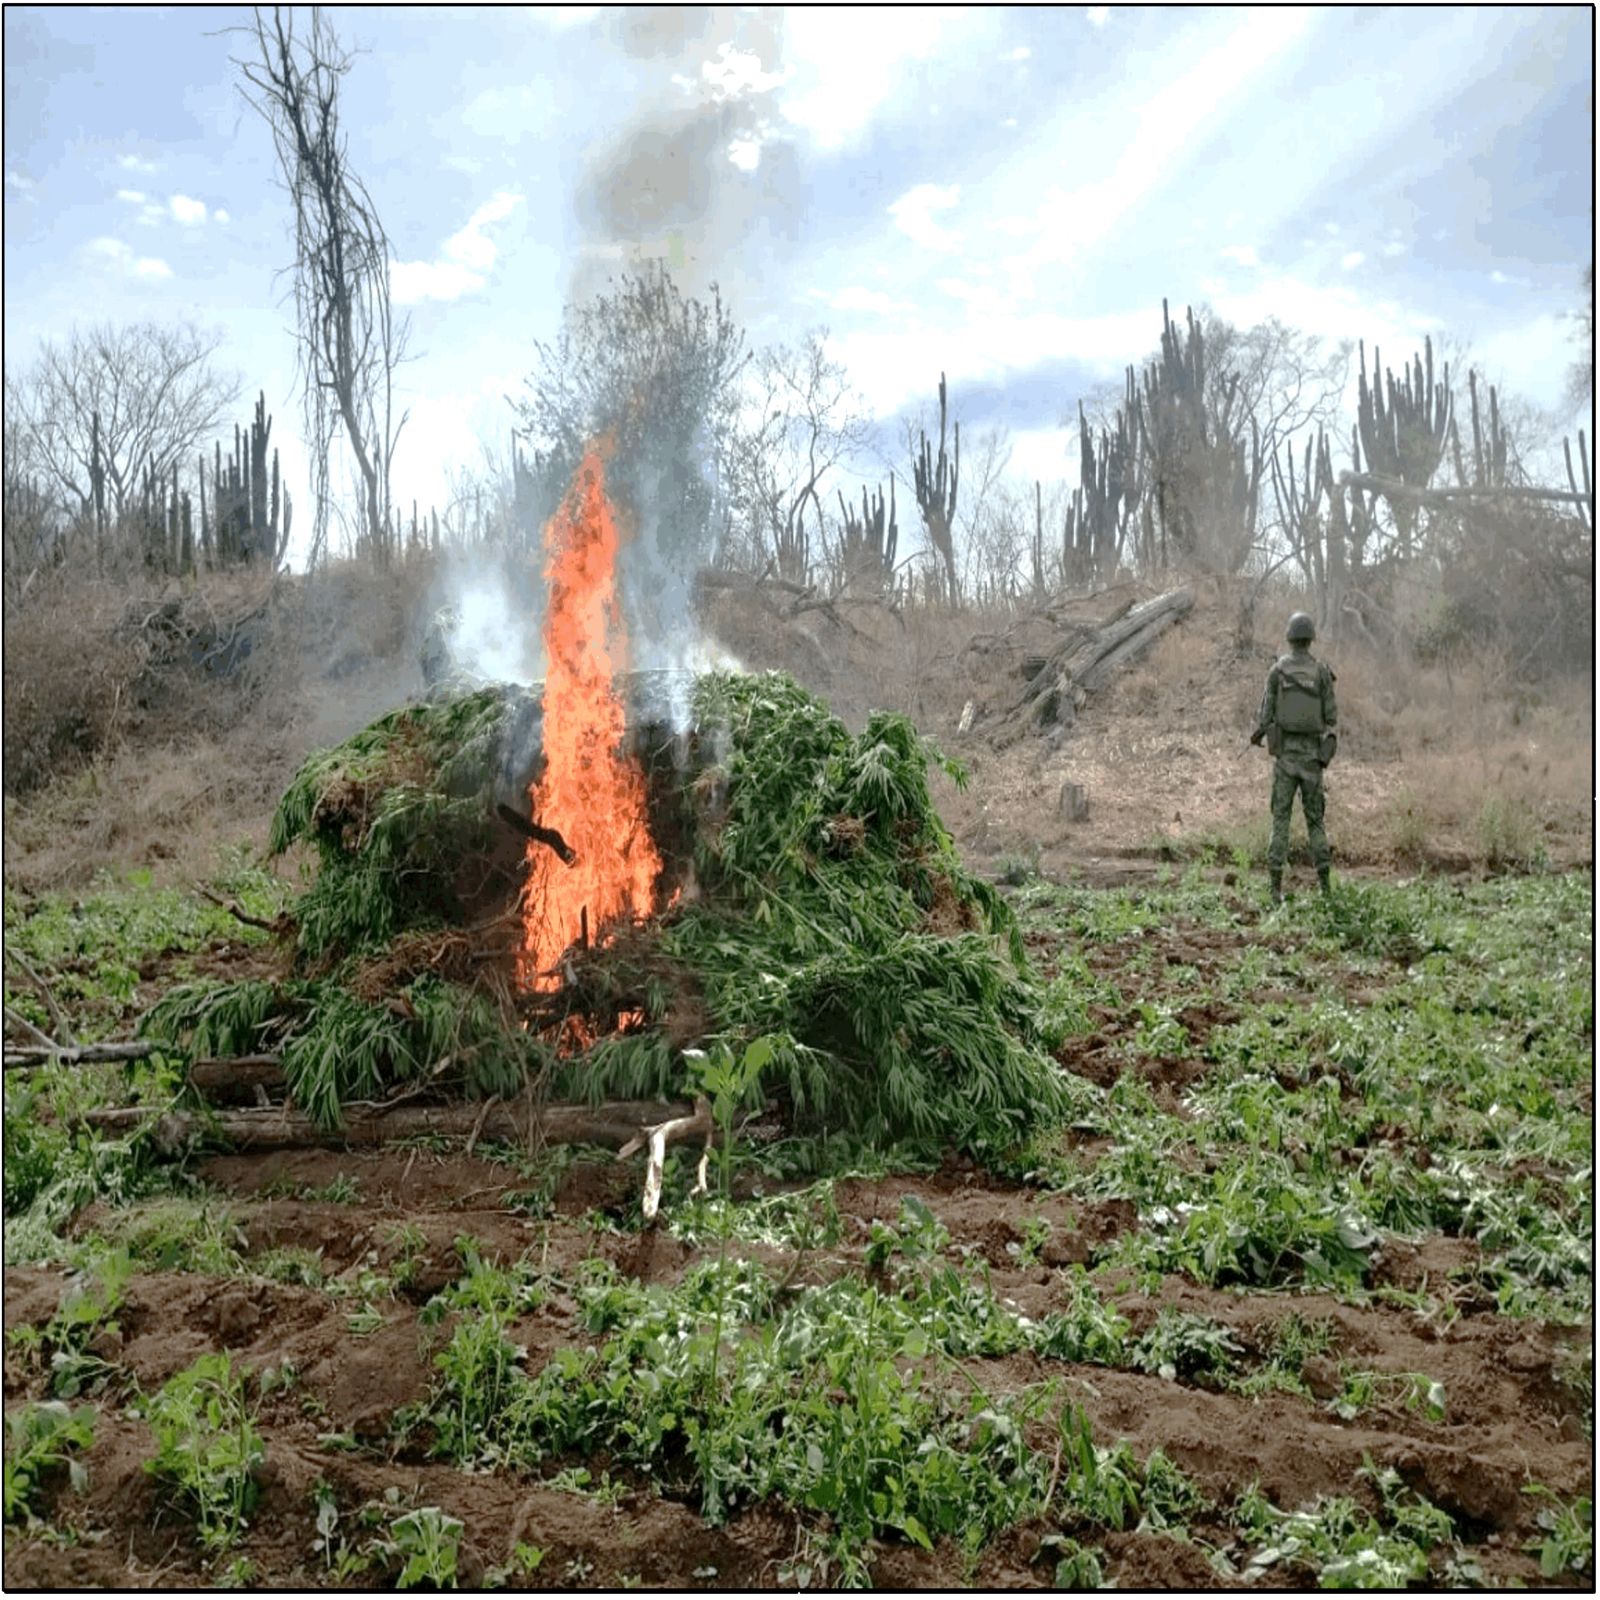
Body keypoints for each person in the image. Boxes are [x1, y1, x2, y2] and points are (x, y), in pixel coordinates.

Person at [1250, 611, 1338, 904]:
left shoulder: (1277, 671)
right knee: (1316, 823)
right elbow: (1331, 717)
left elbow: (1265, 716)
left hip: (1285, 760)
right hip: (1313, 761)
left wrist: (1259, 734)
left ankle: (1275, 890)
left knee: (1280, 822)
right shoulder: (1322, 672)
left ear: (1290, 638)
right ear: (1310, 639)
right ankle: (1325, 889)